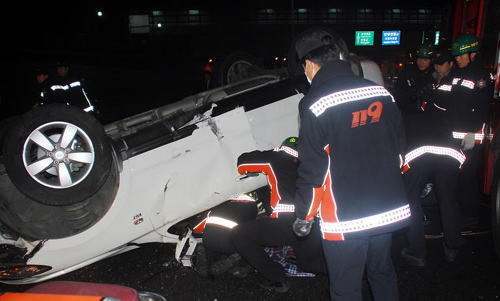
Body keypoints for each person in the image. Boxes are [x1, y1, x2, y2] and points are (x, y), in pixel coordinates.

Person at [292, 28, 410, 300]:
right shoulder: (381, 93)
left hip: (345, 219)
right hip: (385, 211)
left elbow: (314, 171)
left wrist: (304, 215)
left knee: (346, 289)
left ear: (309, 64)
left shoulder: (315, 104)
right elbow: (399, 150)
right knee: (382, 275)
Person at [230, 137, 326, 293]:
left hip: (287, 223)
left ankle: (276, 276)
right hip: (313, 223)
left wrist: (271, 153)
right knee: (311, 265)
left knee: (238, 235)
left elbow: (243, 163)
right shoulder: (314, 159)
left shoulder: (277, 156)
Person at [400, 109, 466, 266]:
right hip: (450, 153)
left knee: (411, 200)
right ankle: (452, 248)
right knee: (448, 197)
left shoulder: (403, 116)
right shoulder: (438, 114)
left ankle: (418, 252)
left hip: (419, 153)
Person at [449, 34, 493, 228]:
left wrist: (471, 133)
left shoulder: (481, 76)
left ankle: (471, 216)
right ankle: (460, 211)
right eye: (456, 55)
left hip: (470, 137)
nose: (458, 58)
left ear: (473, 54)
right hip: (454, 135)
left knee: (467, 177)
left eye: (462, 54)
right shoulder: (457, 74)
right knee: (456, 176)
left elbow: (482, 109)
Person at [191, 193, 258, 277]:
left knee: (215, 245)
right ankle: (236, 260)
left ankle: (207, 254)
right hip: (229, 244)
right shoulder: (253, 206)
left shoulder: (222, 197)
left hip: (208, 239)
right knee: (248, 242)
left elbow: (199, 225)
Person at [393, 44, 435, 114]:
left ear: (431, 60)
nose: (421, 62)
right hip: (407, 111)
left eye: (425, 60)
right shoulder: (408, 71)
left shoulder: (433, 74)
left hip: (426, 114)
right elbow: (397, 90)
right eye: (419, 59)